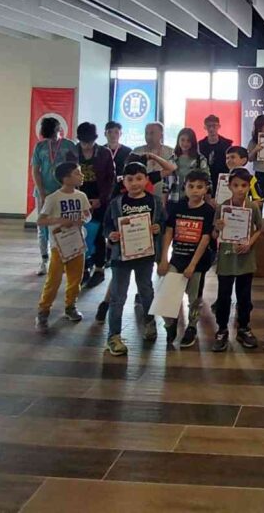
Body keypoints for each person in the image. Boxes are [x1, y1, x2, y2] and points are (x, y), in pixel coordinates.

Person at [103, 162, 166, 356]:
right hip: (120, 257)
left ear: (146, 180)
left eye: (139, 178)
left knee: (146, 290)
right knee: (118, 296)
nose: (135, 183)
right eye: (130, 179)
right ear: (124, 181)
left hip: (145, 256)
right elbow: (107, 226)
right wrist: (111, 235)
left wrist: (158, 228)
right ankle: (114, 336)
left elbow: (163, 222)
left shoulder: (155, 201)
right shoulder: (116, 202)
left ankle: (149, 322)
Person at [159, 170, 214, 348]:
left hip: (197, 263)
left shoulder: (208, 211)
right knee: (167, 295)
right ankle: (170, 324)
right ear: (185, 188)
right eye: (191, 186)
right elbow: (169, 232)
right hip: (177, 259)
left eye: (200, 187)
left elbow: (205, 238)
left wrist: (192, 265)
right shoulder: (177, 207)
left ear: (206, 189)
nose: (195, 190)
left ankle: (192, 327)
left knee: (194, 298)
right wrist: (164, 258)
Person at [210, 167, 262, 352]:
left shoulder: (252, 206)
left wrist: (249, 242)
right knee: (223, 296)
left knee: (244, 296)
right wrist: (217, 228)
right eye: (236, 185)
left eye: (244, 185)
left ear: (248, 186)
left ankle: (244, 328)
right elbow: (214, 234)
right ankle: (222, 329)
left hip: (245, 259)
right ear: (229, 186)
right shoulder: (222, 207)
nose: (240, 189)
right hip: (226, 259)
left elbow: (259, 229)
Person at [35, 163, 91, 330]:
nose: (81, 176)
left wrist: (83, 219)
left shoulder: (81, 196)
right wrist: (60, 221)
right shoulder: (53, 198)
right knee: (54, 279)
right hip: (58, 246)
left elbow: (87, 214)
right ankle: (44, 310)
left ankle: (70, 305)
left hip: (77, 242)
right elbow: (41, 220)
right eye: (77, 173)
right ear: (65, 178)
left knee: (76, 278)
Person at [31, 116, 78, 275]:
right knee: (42, 226)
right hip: (43, 192)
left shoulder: (69, 145)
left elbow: (75, 169)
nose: (54, 135)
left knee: (63, 224)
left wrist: (70, 189)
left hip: (63, 192)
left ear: (60, 129)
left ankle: (64, 258)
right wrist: (42, 192)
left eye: (56, 130)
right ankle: (44, 259)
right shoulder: (40, 147)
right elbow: (35, 170)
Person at [73, 122, 116, 289]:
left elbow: (110, 179)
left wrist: (101, 199)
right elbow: (66, 176)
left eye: (90, 142)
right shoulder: (72, 152)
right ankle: (83, 268)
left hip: (99, 200)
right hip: (78, 199)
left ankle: (99, 269)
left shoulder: (104, 153)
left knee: (98, 235)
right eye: (84, 142)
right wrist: (78, 198)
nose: (87, 145)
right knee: (79, 234)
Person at [130, 122, 177, 201]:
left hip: (164, 197)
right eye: (146, 133)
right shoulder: (137, 151)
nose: (148, 136)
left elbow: (173, 175)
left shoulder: (170, 152)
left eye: (152, 133)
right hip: (141, 196)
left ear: (161, 135)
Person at [198, 114, 232, 191]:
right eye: (209, 126)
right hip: (205, 179)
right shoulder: (200, 145)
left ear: (219, 126)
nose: (211, 129)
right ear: (205, 127)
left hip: (223, 179)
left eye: (214, 126)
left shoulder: (227, 144)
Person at [105, 121, 133, 190]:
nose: (113, 135)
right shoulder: (100, 151)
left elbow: (131, 170)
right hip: (104, 185)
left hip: (122, 186)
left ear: (121, 134)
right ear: (105, 134)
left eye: (116, 132)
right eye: (110, 132)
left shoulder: (128, 151)